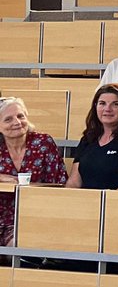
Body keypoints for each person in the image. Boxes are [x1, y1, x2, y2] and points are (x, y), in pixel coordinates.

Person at [0, 96, 67, 247]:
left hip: (32, 217)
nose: (17, 122)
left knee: (19, 244)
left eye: (20, 116)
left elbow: (59, 184)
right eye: (8, 119)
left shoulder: (43, 142)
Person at [66, 84, 118, 191]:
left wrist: (104, 200)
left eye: (115, 104)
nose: (107, 109)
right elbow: (74, 182)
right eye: (102, 103)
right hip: (85, 199)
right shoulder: (88, 138)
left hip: (115, 200)